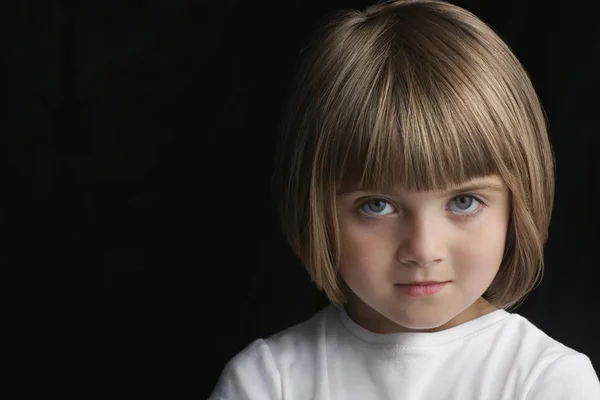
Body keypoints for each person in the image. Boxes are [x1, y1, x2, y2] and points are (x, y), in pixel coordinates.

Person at [209, 0, 600, 398]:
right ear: (316, 210)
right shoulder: (268, 381)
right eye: (377, 205)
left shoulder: (547, 380)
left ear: (518, 204)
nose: (423, 250)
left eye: (463, 202)